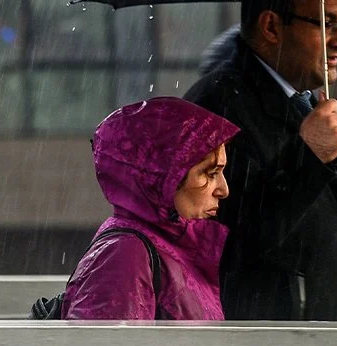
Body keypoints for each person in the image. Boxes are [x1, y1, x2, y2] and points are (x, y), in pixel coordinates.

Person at [183, 0, 337, 320]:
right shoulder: (218, 107)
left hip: (315, 341)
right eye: (326, 23)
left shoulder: (302, 104)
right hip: (271, 345)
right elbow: (233, 243)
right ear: (271, 26)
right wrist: (308, 156)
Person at [63, 97, 239, 320]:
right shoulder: (126, 254)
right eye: (210, 173)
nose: (224, 190)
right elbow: (103, 343)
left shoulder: (166, 245)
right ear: (162, 175)